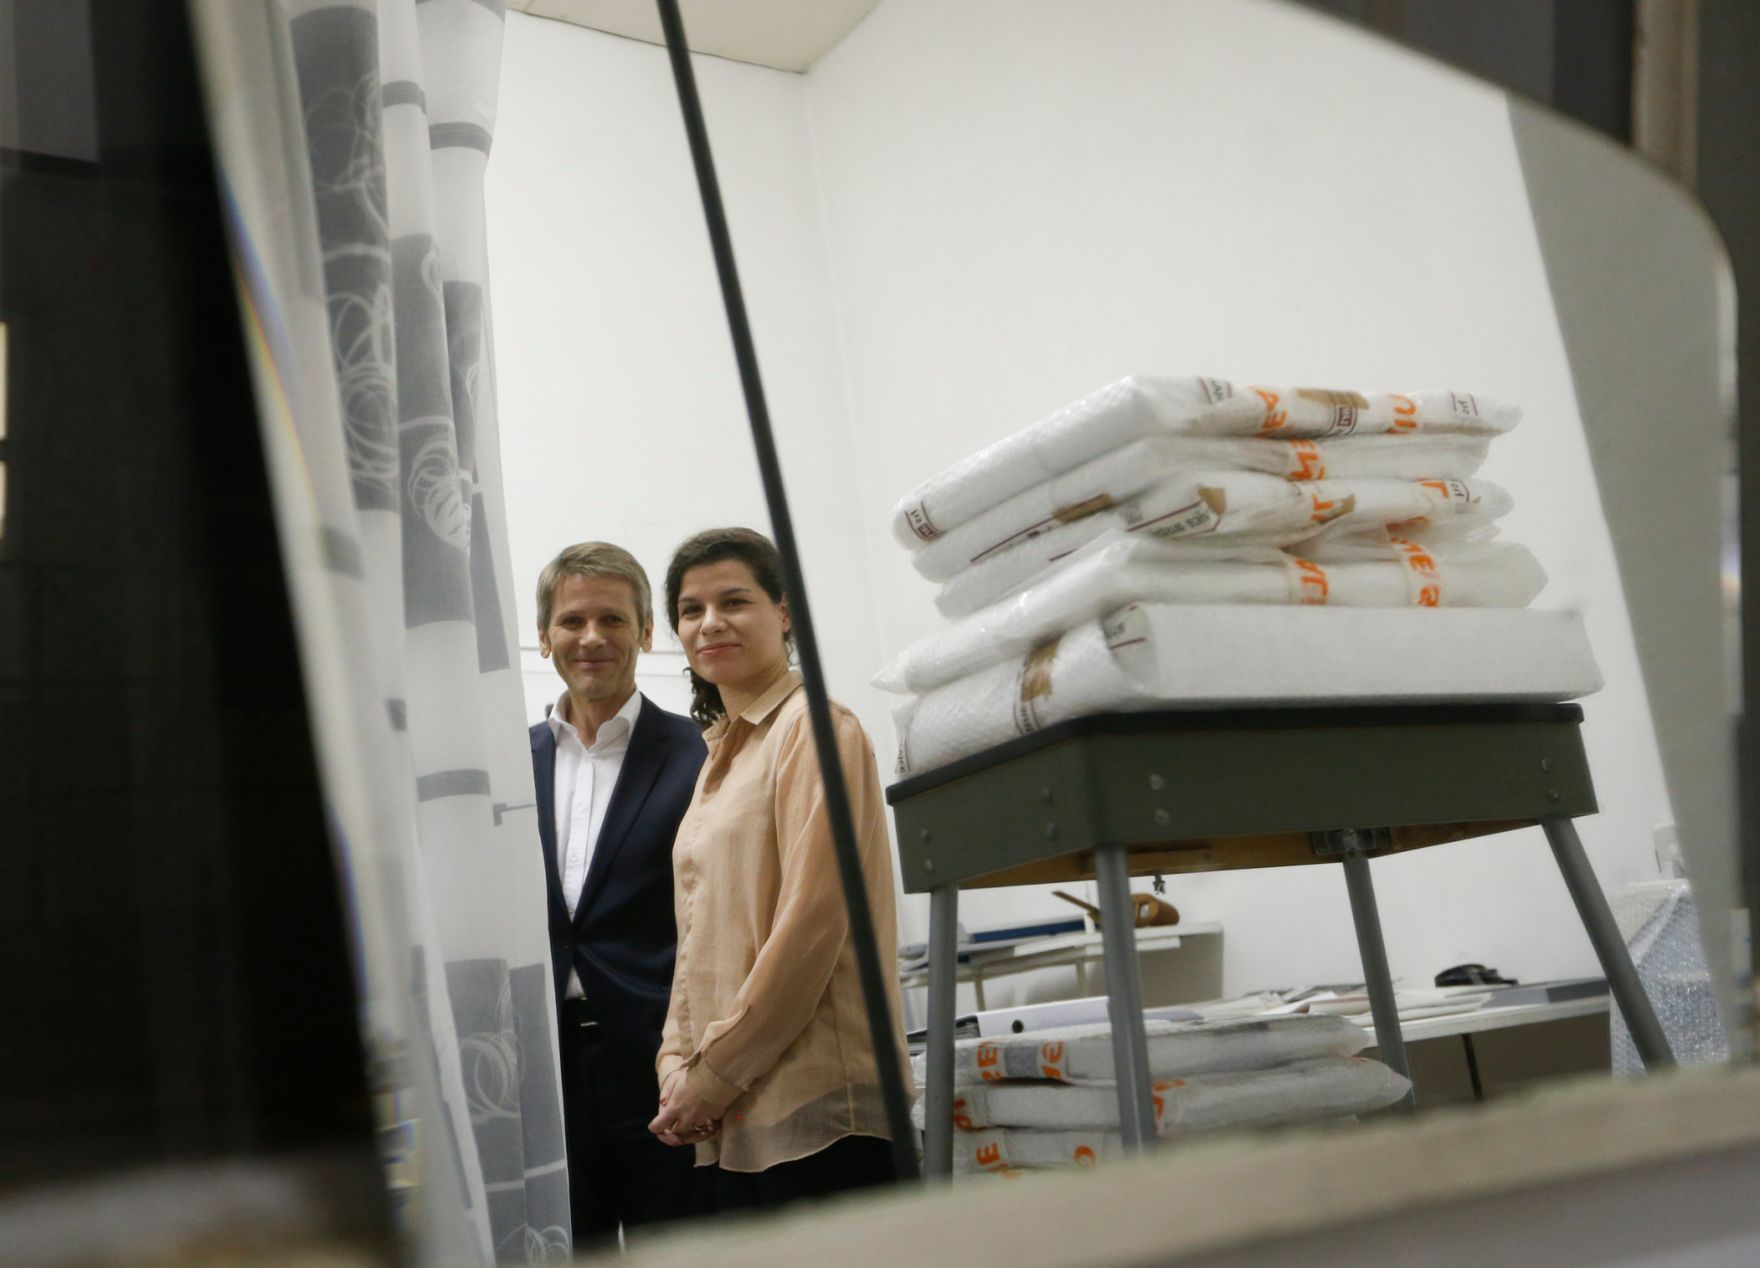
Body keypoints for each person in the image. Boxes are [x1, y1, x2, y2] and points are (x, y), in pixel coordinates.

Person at [648, 527, 909, 1212]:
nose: (710, 623)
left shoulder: (816, 728)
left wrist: (713, 1074)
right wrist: (675, 1064)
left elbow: (813, 924)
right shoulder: (720, 758)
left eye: (734, 601)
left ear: (784, 613)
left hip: (818, 1113)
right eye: (691, 609)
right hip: (733, 1112)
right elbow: (698, 938)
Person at [530, 542, 707, 1246]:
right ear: (543, 638)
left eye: (613, 618)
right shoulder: (509, 768)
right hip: (547, 1071)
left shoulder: (702, 754)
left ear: (646, 633)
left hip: (665, 1069)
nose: (592, 638)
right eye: (572, 621)